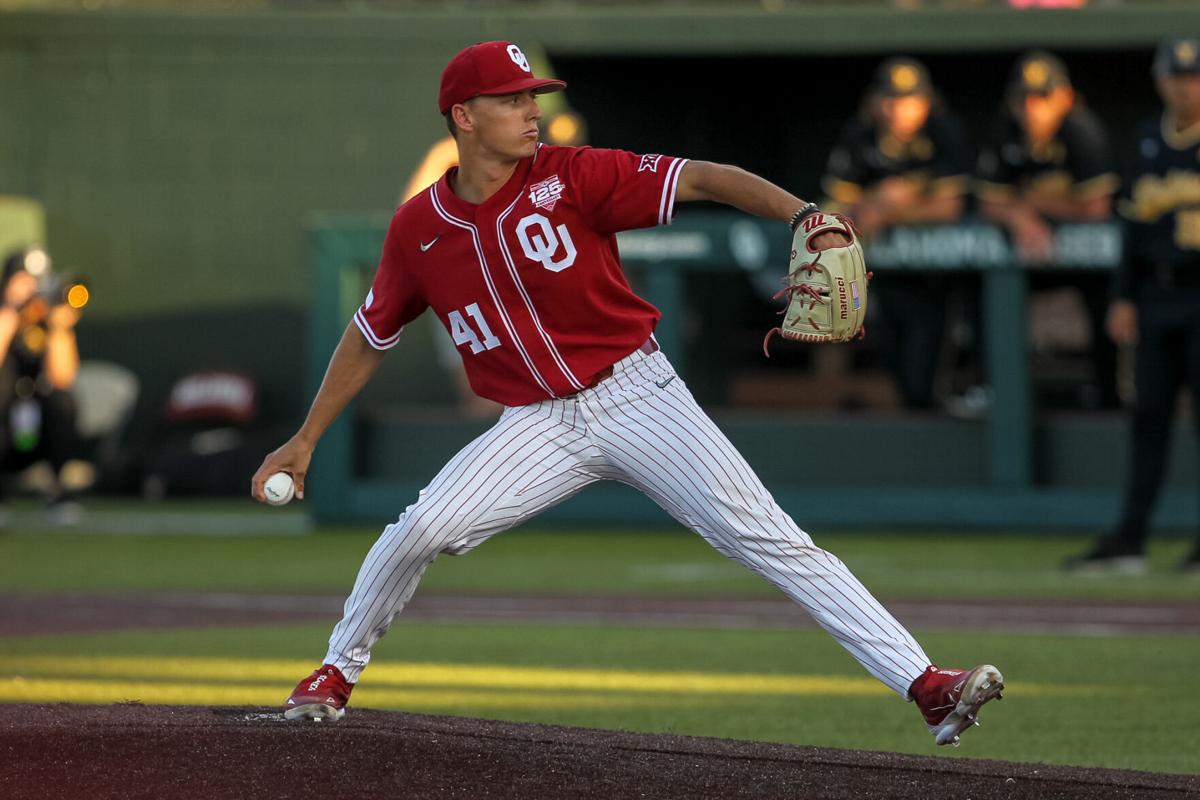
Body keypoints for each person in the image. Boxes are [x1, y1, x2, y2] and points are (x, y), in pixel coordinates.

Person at [252, 41, 1004, 745]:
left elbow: (704, 176)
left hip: (639, 395)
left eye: (532, 97)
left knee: (770, 539)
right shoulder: (419, 228)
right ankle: (334, 671)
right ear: (463, 115)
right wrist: (307, 438)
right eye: (512, 99)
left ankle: (926, 684)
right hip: (537, 424)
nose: (531, 110)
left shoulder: (573, 174)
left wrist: (807, 215)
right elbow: (369, 334)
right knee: (419, 530)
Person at [1065, 38, 1200, 574]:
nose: (1184, 85)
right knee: (1148, 419)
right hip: (1158, 296)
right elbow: (1133, 229)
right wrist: (1123, 297)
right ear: (1160, 79)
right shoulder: (1148, 139)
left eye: (1192, 76)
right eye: (1176, 75)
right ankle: (1131, 538)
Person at [821, 57, 970, 409]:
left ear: (927, 101)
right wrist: (877, 200)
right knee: (894, 361)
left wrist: (891, 209)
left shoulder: (943, 131)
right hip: (883, 276)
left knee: (926, 375)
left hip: (937, 275)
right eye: (891, 99)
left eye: (909, 100)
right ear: (876, 101)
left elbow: (951, 207)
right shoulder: (861, 133)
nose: (899, 110)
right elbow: (836, 207)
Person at [976, 51, 1121, 409]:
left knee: (1106, 302)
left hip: (1089, 256)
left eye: (1042, 97)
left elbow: (1097, 208)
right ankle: (993, 390)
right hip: (1031, 250)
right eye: (1024, 98)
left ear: (1064, 97)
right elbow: (988, 201)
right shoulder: (1005, 130)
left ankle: (1109, 395)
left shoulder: (1082, 130)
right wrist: (1019, 216)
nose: (1032, 108)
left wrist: (1032, 202)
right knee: (981, 287)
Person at [0, 249, 84, 523]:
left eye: (37, 281)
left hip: (32, 434)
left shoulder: (46, 324)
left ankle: (57, 490)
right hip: (6, 428)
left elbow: (63, 378)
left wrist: (59, 328)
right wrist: (11, 312)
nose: (32, 289)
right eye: (24, 280)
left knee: (63, 402)